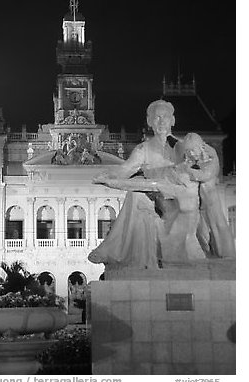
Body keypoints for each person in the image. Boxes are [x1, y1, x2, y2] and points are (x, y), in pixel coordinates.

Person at [88, 99, 182, 269]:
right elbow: (124, 170)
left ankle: (116, 250)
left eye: (165, 117)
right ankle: (142, 261)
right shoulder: (143, 149)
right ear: (149, 122)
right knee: (137, 194)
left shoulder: (181, 148)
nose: (161, 122)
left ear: (173, 120)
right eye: (157, 118)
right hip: (155, 196)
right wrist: (107, 176)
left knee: (138, 191)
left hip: (179, 199)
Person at [176, 132, 235, 258]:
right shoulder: (197, 163)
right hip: (201, 206)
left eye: (193, 150)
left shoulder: (211, 162)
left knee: (219, 227)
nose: (191, 154)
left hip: (212, 203)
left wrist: (185, 169)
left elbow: (202, 176)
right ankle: (211, 254)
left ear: (201, 147)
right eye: (188, 151)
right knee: (206, 233)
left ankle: (228, 255)